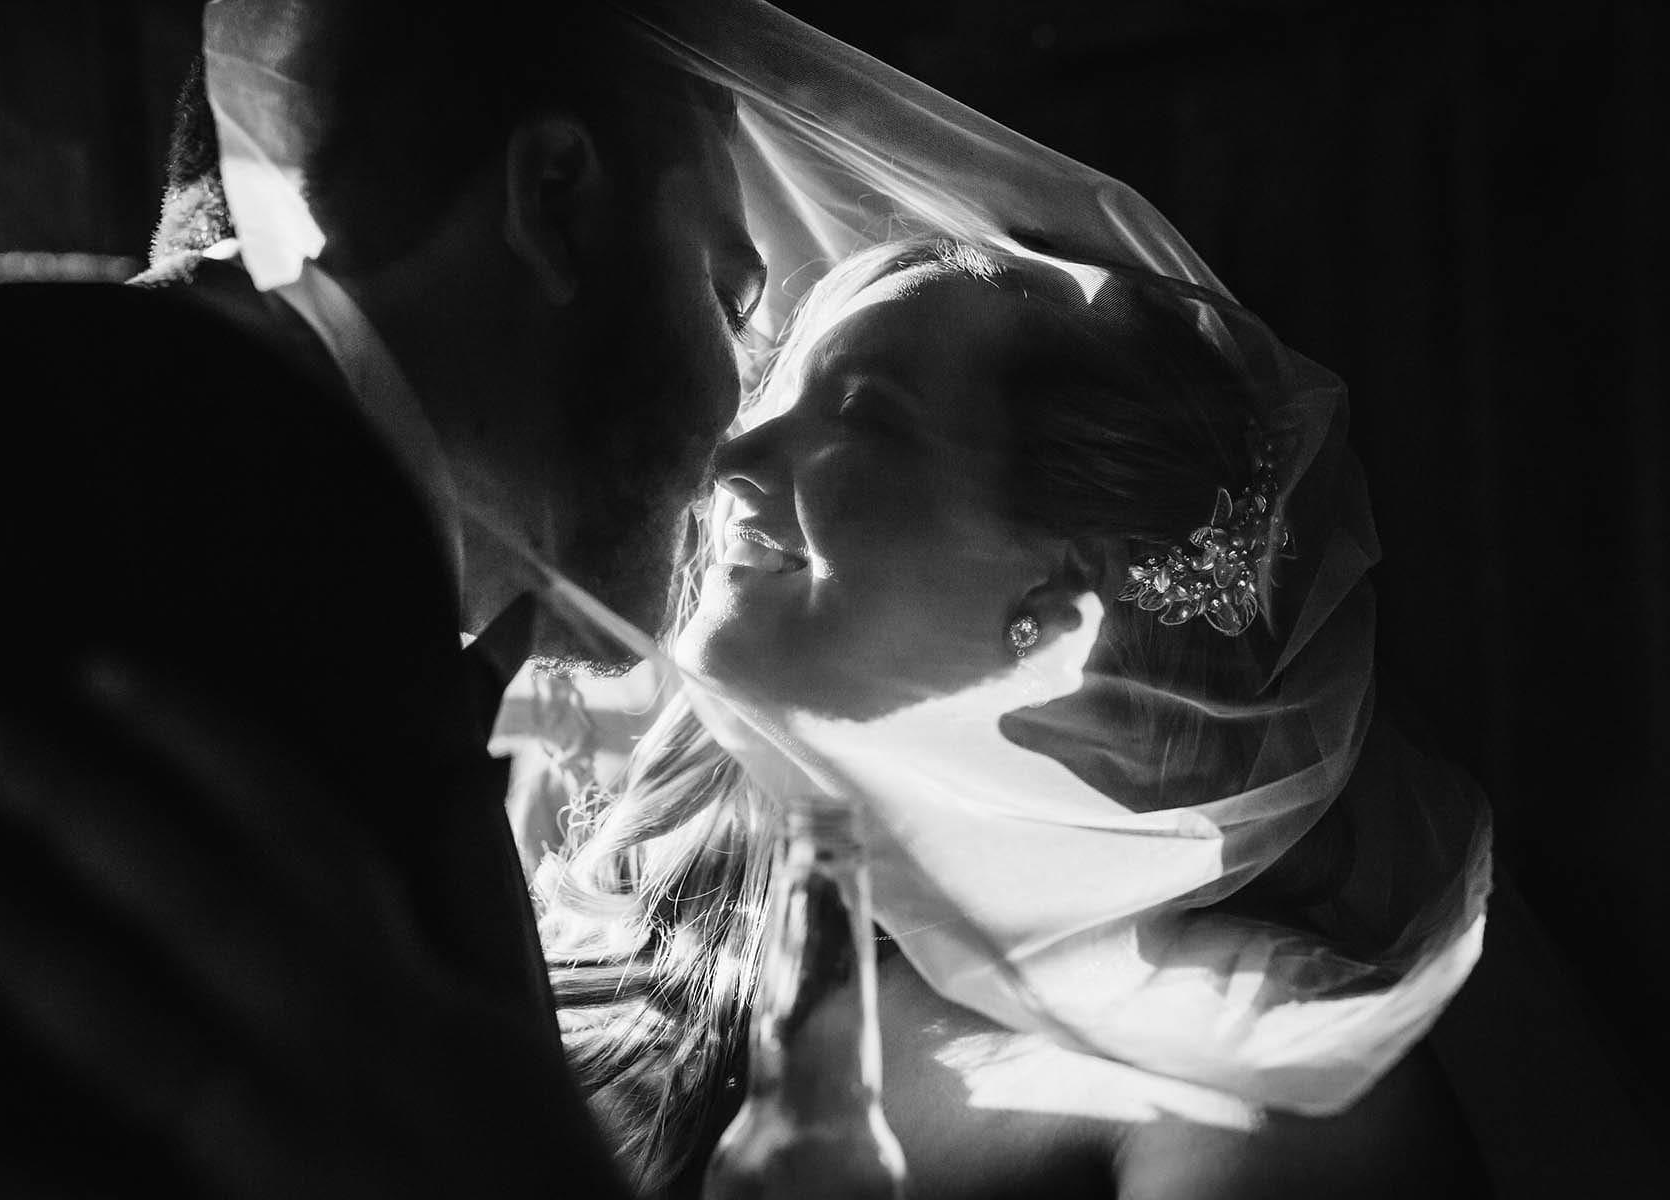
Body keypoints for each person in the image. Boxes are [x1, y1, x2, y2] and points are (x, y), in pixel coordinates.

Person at [0, 0, 762, 1193]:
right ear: (555, 198)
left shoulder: (83, 398)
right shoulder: (195, 537)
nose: (740, 406)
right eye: (731, 294)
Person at [538, 236, 1499, 1199]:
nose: (728, 458)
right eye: (769, 402)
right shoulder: (650, 906)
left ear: (1062, 589)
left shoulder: (1261, 1079)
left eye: (860, 414)